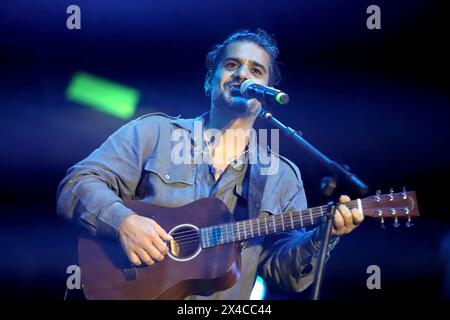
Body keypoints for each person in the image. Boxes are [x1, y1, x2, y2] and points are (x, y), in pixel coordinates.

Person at [56, 29, 364, 300]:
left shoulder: (281, 177)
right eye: (232, 65)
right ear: (209, 80)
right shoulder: (154, 132)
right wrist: (123, 222)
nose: (243, 74)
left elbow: (288, 274)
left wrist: (326, 235)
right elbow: (77, 184)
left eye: (256, 70)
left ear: (267, 94)